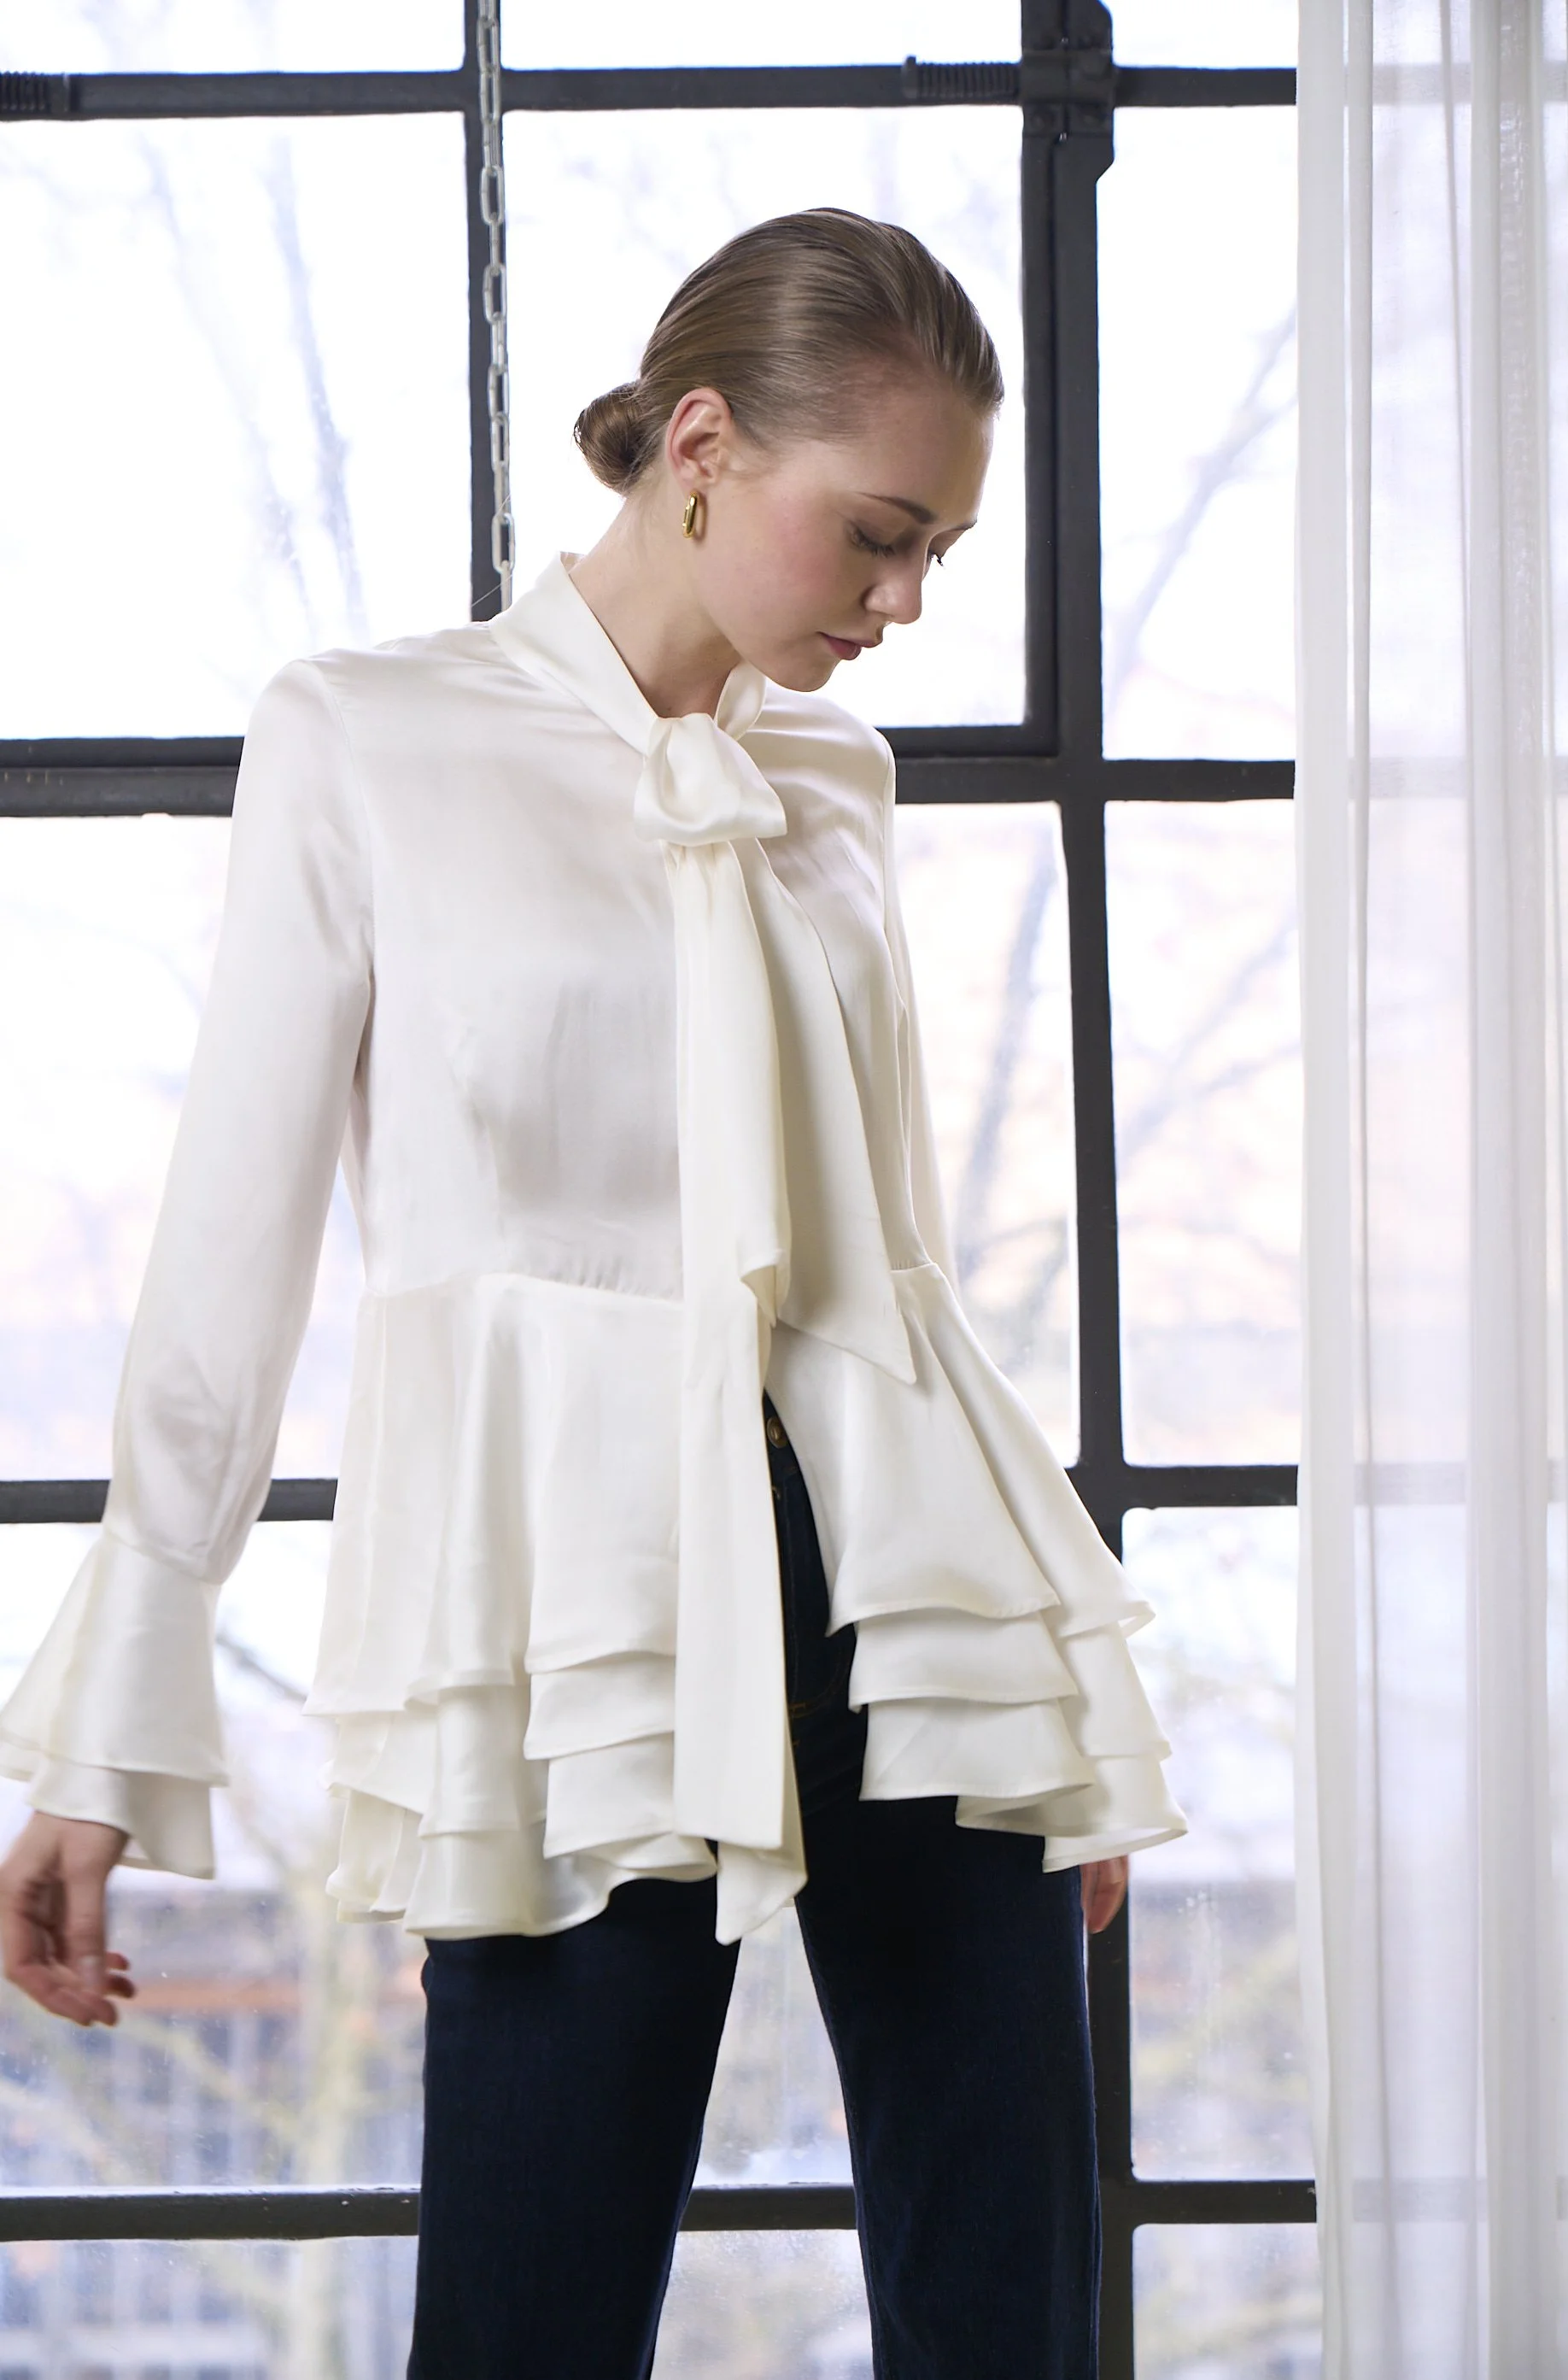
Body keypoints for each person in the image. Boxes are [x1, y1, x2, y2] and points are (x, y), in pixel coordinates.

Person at [0, 208, 1184, 2377]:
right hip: (574, 1613)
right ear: (702, 445)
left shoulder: (834, 779)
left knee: (1006, 2299)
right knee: (531, 2307)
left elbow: (889, 1255)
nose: (906, 603)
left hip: (901, 1592)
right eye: (879, 535)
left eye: (937, 552)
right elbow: (232, 1245)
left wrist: (1036, 1696)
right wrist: (108, 1720)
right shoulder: (365, 738)